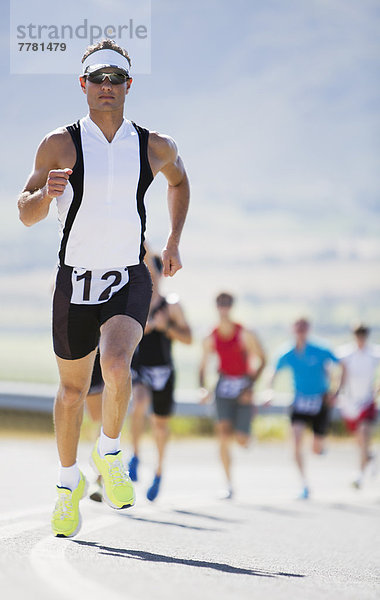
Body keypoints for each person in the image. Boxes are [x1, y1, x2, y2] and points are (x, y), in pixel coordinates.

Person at [17, 39, 190, 537]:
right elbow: (25, 211)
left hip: (128, 277)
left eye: (116, 79)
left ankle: (110, 451)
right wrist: (43, 194)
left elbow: (179, 182)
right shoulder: (60, 143)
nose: (107, 87)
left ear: (128, 85)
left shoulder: (154, 145)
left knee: (116, 365)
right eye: (98, 79)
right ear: (83, 85)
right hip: (74, 280)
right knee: (72, 393)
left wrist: (174, 239)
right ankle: (67, 484)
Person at [128, 253, 192, 501]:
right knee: (140, 401)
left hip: (164, 371)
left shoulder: (171, 305)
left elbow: (188, 338)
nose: (149, 279)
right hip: (140, 368)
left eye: (152, 274)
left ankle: (158, 472)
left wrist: (166, 327)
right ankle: (135, 456)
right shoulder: (134, 302)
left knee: (160, 425)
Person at [199, 292, 266, 499]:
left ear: (232, 306)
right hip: (223, 386)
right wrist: (202, 387)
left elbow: (263, 359)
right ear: (216, 306)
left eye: (227, 304)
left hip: (243, 386)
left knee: (241, 439)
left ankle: (246, 436)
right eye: (220, 303)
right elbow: (202, 366)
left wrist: (250, 386)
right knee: (223, 434)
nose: (223, 307)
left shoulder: (245, 333)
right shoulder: (211, 336)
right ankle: (228, 483)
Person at [269, 318, 345, 499]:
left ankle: (320, 445)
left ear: (308, 329)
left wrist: (336, 391)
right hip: (299, 401)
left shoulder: (321, 349)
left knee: (316, 449)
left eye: (304, 328)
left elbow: (341, 365)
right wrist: (268, 390)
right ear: (292, 330)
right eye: (298, 328)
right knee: (295, 442)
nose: (301, 331)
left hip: (320, 400)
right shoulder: (287, 352)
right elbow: (273, 372)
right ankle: (304, 483)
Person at [337, 324, 380, 489]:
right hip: (349, 401)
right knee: (359, 440)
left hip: (367, 400)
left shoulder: (374, 353)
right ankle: (369, 456)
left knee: (363, 432)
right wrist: (337, 392)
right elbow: (339, 373)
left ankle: (360, 475)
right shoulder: (346, 354)